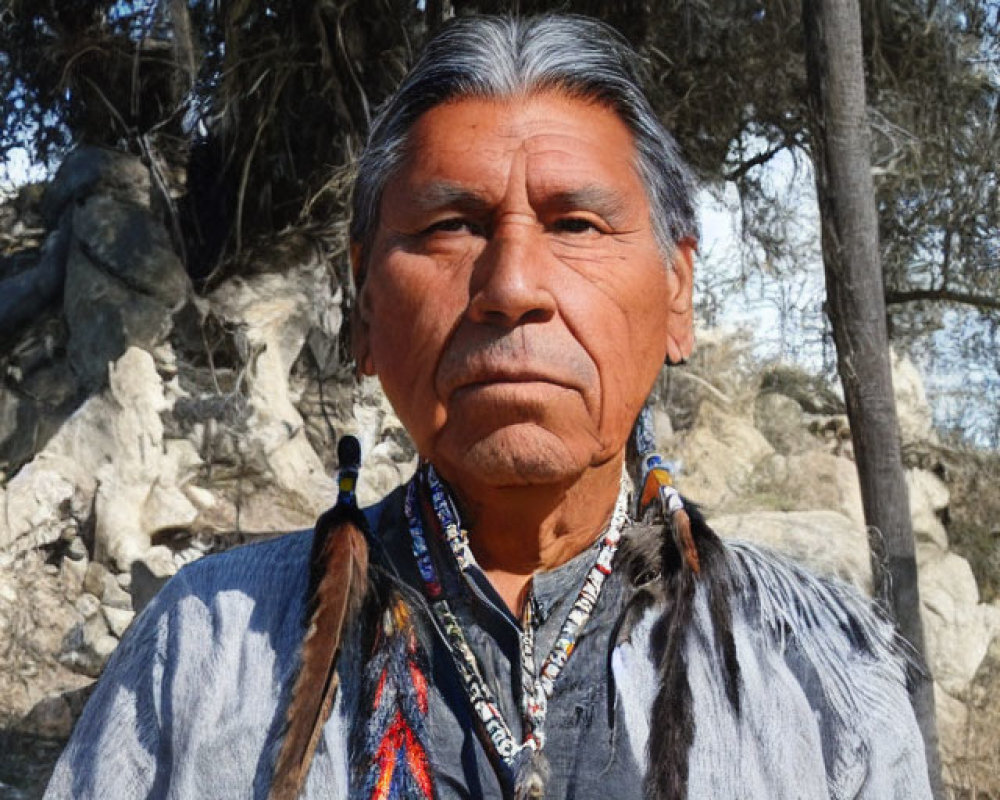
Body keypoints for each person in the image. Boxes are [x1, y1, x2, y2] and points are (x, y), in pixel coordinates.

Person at [46, 14, 933, 800]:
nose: (510, 287)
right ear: (362, 310)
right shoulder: (206, 650)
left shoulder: (824, 680)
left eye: (577, 226)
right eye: (450, 226)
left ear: (676, 296)